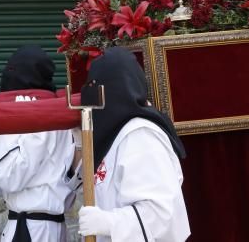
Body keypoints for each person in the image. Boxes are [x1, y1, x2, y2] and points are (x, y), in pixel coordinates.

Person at [76, 50, 189, 242]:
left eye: (96, 88)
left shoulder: (139, 136)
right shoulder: (115, 134)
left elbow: (160, 212)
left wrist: (109, 222)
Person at [0, 46, 78, 242]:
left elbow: (10, 177)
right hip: (44, 227)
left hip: (32, 230)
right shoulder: (60, 116)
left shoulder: (42, 121)